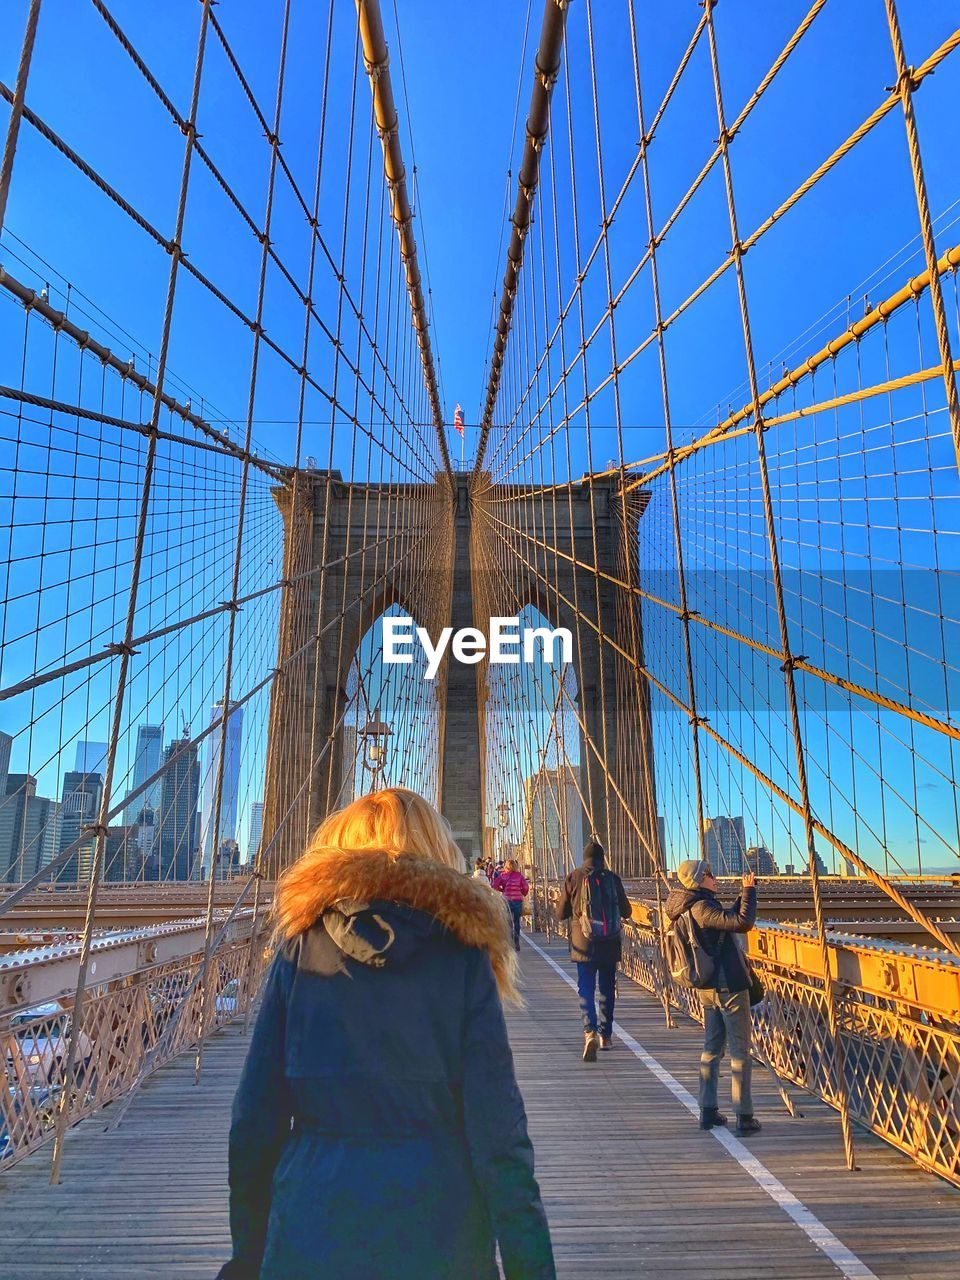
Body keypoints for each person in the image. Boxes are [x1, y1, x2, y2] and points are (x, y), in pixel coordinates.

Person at [217, 788, 556, 1280]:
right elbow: (500, 1135)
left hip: (310, 1232)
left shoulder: (299, 949)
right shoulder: (462, 957)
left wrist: (248, 1256)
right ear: (436, 852)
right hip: (440, 1237)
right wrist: (531, 1268)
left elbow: (253, 1123)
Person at [665, 859, 760, 1137]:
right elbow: (743, 922)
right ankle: (744, 1116)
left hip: (708, 988)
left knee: (712, 1048)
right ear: (698, 879)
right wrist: (750, 891)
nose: (714, 877)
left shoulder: (689, 905)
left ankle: (707, 1112)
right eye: (709, 874)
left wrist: (743, 896)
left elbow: (725, 923)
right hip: (728, 986)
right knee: (740, 1051)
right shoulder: (701, 907)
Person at [556, 838, 632, 1062]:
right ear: (602, 858)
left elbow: (561, 914)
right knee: (607, 990)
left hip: (584, 944)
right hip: (609, 942)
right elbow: (627, 911)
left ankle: (589, 1031)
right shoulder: (612, 878)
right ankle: (606, 1036)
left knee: (586, 989)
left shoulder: (574, 876)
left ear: (585, 858)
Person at [492, 858, 529, 951]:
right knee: (517, 921)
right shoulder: (519, 876)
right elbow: (525, 887)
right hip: (517, 900)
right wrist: (522, 892)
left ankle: (510, 941)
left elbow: (494, 885)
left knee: (508, 922)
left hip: (507, 900)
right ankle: (516, 938)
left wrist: (502, 890)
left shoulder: (503, 875)